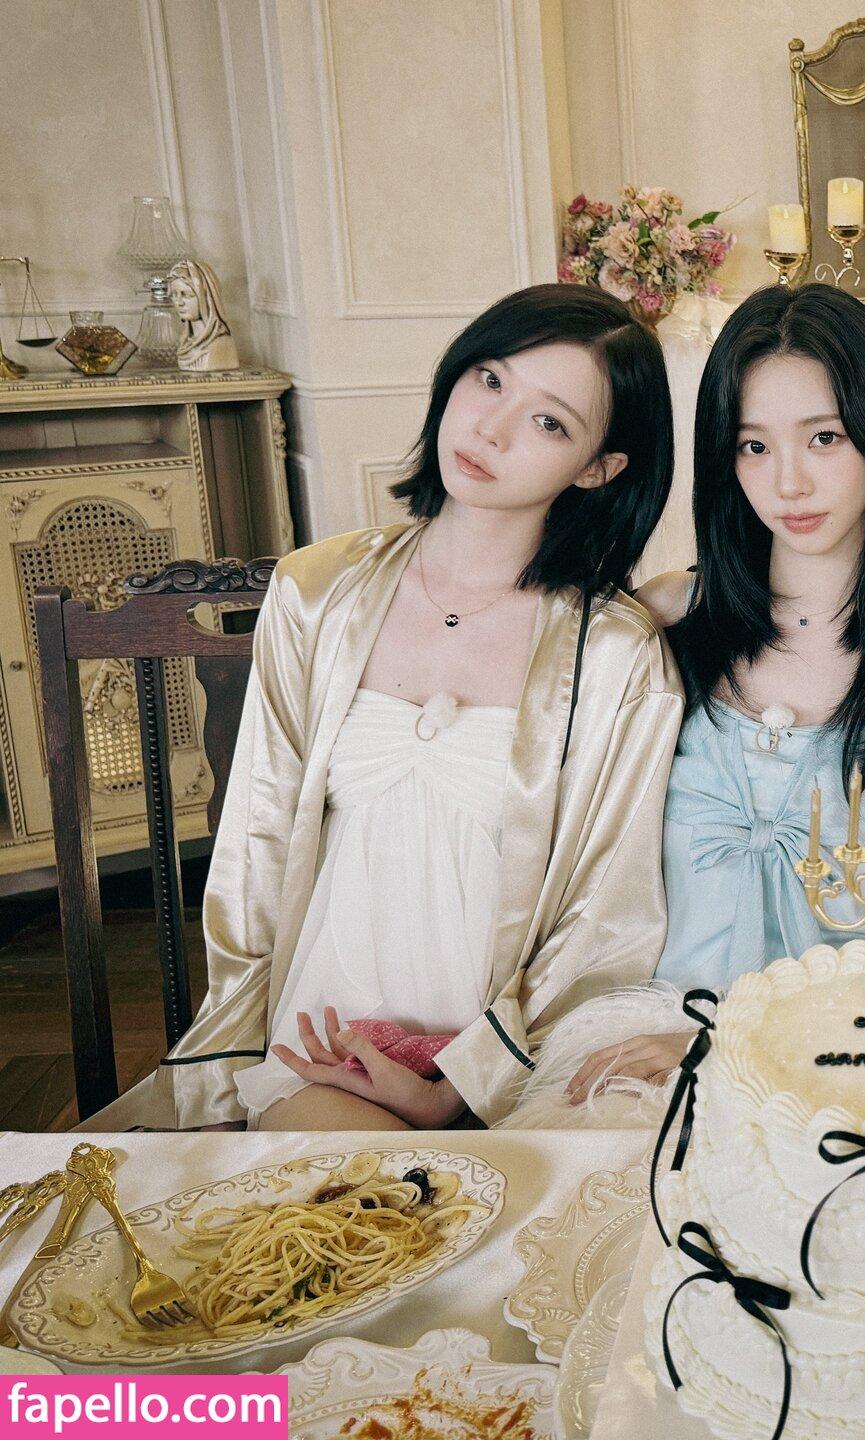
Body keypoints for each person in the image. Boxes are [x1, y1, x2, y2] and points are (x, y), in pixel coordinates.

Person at [84, 283, 684, 1132]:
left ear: (600, 467)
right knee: (344, 1201)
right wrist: (223, 1074)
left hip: (506, 1071)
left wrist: (458, 1085)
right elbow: (254, 849)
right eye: (489, 379)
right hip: (321, 1050)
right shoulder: (317, 593)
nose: (492, 428)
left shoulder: (616, 653)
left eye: (550, 422)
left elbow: (603, 915)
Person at [524, 284, 865, 1115]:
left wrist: (734, 1043)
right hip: (640, 1035)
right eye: (754, 445)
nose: (789, 481)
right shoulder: (662, 619)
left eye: (824, 437)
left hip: (852, 1049)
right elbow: (564, 863)